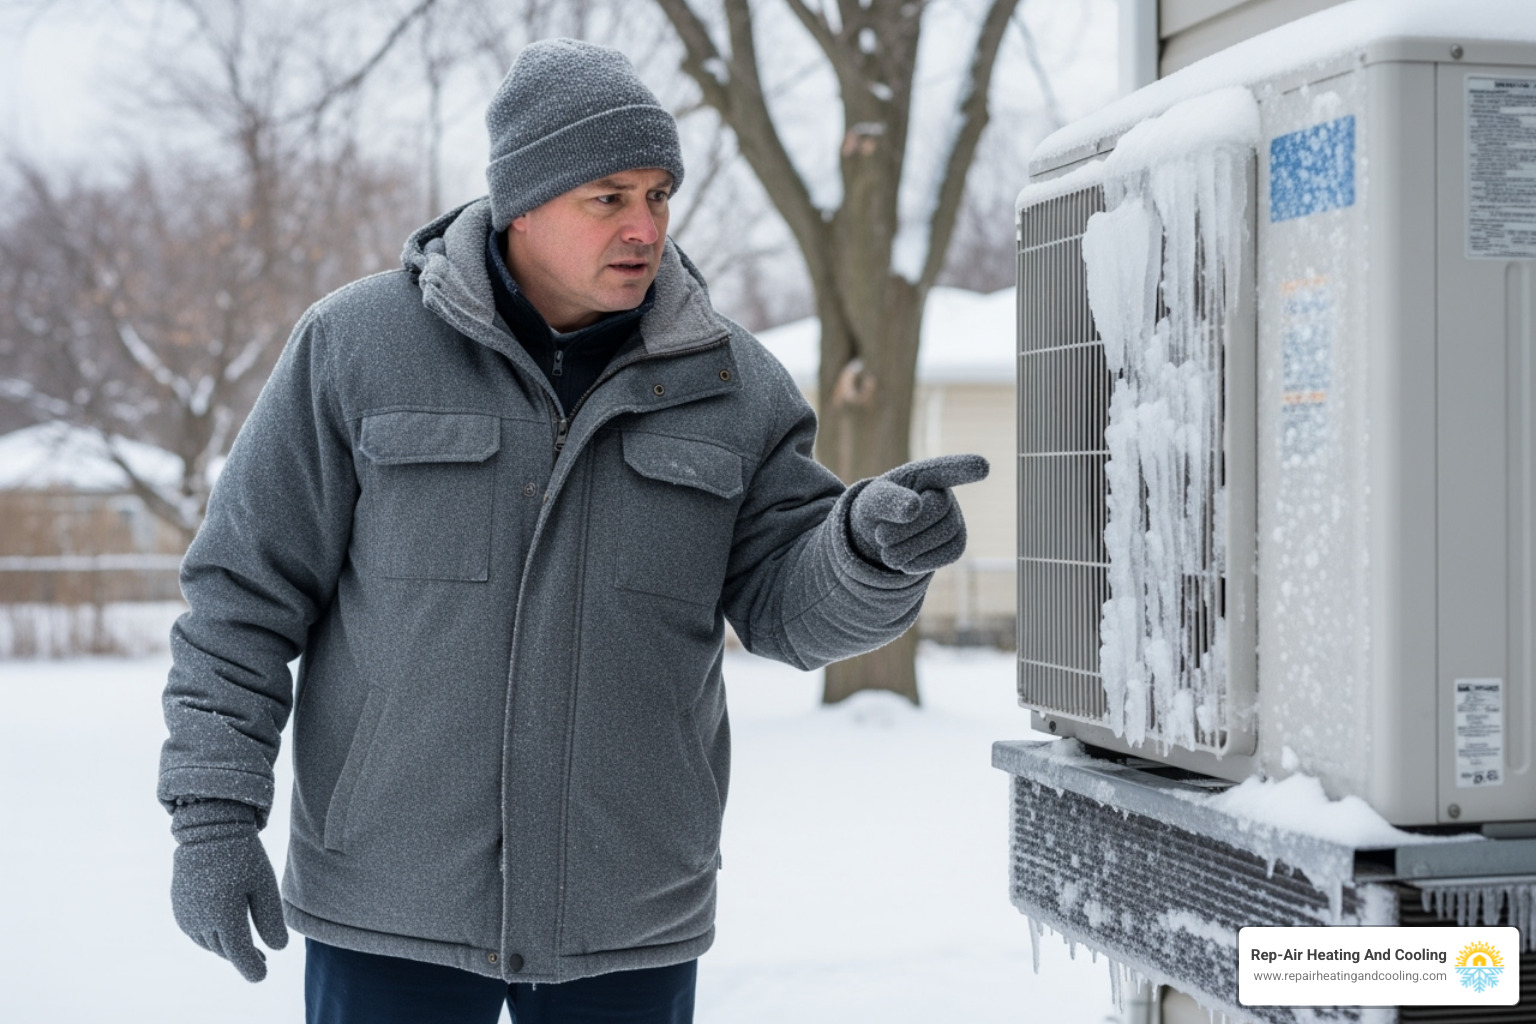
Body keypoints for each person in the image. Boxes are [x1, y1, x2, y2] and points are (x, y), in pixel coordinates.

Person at [158, 37, 988, 1024]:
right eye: (609, 197)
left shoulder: (732, 385)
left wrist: (865, 551)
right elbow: (241, 595)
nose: (645, 226)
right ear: (523, 201)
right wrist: (213, 819)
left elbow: (786, 609)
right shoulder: (355, 350)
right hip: (391, 901)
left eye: (659, 195)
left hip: (624, 912)